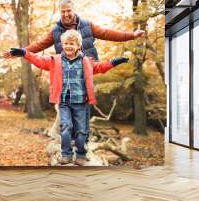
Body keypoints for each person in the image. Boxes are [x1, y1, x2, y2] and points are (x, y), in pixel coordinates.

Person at [8, 30, 128, 166]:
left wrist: (114, 62)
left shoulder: (86, 61)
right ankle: (66, 154)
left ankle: (81, 154)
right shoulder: (55, 60)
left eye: (72, 43)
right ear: (62, 44)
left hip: (81, 102)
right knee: (66, 127)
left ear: (78, 46)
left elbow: (100, 67)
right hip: (64, 102)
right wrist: (24, 53)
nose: (68, 46)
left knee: (82, 130)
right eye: (66, 43)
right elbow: (39, 60)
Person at [4, 0, 145, 60]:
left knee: (82, 107)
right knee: (67, 107)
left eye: (68, 11)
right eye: (63, 11)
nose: (66, 14)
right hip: (67, 71)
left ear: (73, 10)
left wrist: (132, 35)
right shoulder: (56, 31)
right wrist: (19, 52)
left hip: (87, 68)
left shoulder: (87, 25)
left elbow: (108, 34)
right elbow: (39, 45)